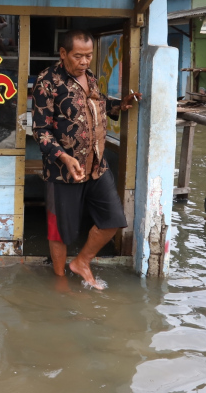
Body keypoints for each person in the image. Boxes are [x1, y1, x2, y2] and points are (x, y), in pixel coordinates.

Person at [32, 30, 140, 289]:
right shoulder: (47, 81)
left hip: (97, 166)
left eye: (88, 56)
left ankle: (81, 262)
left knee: (113, 220)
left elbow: (97, 105)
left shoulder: (90, 78)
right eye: (78, 56)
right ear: (63, 53)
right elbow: (40, 130)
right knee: (61, 231)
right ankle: (60, 283)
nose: (84, 61)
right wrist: (64, 157)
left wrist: (119, 106)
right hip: (63, 170)